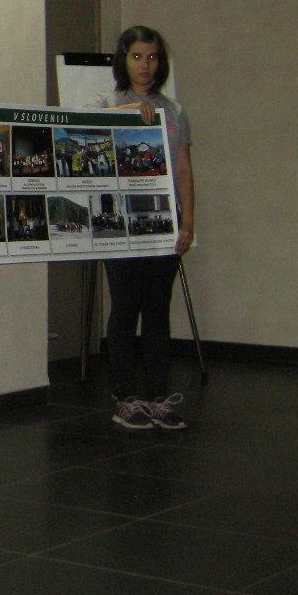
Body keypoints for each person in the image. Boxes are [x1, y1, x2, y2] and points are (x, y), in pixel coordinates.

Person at [85, 25, 195, 432]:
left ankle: (158, 397)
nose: (145, 65)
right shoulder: (106, 101)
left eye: (151, 57)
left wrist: (188, 219)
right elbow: (80, 123)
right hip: (120, 224)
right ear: (123, 60)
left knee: (157, 311)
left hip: (163, 223)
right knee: (125, 307)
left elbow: (183, 167)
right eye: (136, 56)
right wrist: (128, 111)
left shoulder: (174, 110)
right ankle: (125, 397)